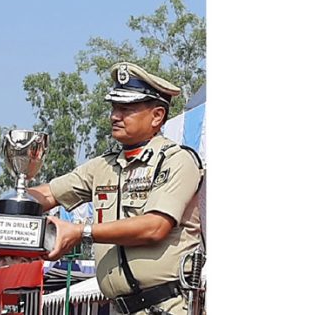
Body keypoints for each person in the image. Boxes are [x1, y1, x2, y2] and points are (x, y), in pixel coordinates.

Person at [28, 62, 204, 315]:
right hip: (119, 307)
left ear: (157, 116)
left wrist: (81, 232)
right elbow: (48, 194)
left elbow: (155, 227)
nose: (114, 116)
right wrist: (4, 208)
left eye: (126, 109)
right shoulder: (103, 166)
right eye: (113, 107)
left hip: (168, 305)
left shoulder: (176, 160)